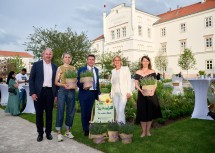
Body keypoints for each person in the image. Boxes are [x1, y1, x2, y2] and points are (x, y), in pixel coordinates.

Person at [29, 48, 57, 142]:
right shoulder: (36, 65)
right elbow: (31, 80)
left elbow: (56, 82)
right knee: (39, 114)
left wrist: (55, 95)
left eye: (50, 54)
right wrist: (32, 92)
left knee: (49, 114)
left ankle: (48, 133)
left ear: (51, 55)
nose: (48, 56)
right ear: (43, 55)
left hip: (50, 92)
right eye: (46, 54)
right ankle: (40, 134)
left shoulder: (55, 66)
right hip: (38, 93)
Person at [134, 56, 162, 137]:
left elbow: (155, 83)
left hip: (151, 94)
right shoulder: (138, 72)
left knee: (150, 113)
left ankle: (148, 131)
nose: (145, 62)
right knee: (142, 113)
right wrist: (140, 90)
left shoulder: (152, 71)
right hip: (142, 94)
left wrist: (153, 91)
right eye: (143, 61)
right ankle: (143, 132)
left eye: (147, 61)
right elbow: (136, 83)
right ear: (141, 62)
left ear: (149, 62)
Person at [77, 54, 101, 136]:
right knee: (84, 112)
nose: (91, 61)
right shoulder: (82, 69)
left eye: (92, 59)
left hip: (93, 93)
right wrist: (83, 87)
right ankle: (86, 130)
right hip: (84, 93)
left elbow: (97, 83)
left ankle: (89, 127)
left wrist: (98, 94)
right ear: (87, 60)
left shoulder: (96, 70)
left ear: (94, 61)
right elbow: (77, 82)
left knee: (90, 112)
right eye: (89, 59)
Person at [55, 52, 76, 142]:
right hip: (62, 91)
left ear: (71, 59)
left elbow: (75, 80)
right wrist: (63, 85)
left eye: (69, 57)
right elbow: (56, 82)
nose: (67, 58)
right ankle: (59, 132)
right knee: (60, 110)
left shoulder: (74, 68)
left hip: (71, 91)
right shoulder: (60, 68)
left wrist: (75, 85)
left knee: (70, 111)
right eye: (66, 57)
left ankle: (67, 131)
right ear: (63, 58)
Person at [110, 56, 132, 124]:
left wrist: (129, 92)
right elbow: (113, 84)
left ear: (121, 61)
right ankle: (122, 127)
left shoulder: (125, 69)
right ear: (113, 62)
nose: (117, 61)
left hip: (123, 93)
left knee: (120, 109)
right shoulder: (113, 71)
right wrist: (111, 93)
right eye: (115, 60)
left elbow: (129, 81)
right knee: (118, 110)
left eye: (118, 60)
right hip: (115, 94)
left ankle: (120, 127)